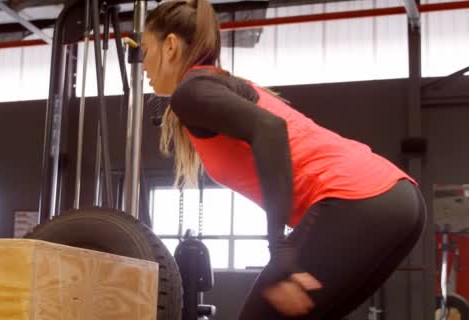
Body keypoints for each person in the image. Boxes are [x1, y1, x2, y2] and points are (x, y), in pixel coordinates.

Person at [141, 0, 427, 319]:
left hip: (359, 199)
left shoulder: (192, 91)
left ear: (169, 46)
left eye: (145, 50)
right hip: (398, 202)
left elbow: (270, 131)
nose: (143, 65)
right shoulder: (217, 85)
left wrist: (281, 253)